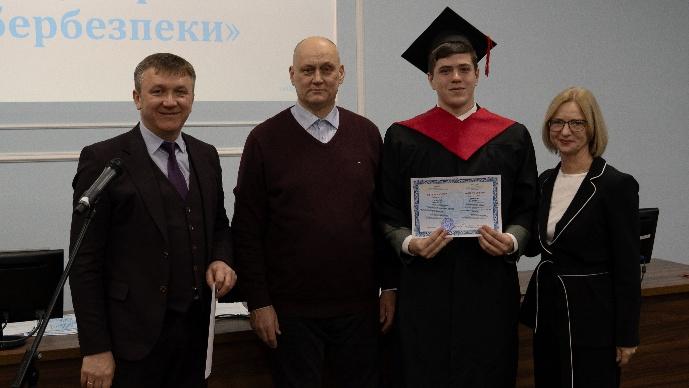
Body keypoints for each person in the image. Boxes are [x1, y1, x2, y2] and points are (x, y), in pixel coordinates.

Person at [376, 7, 539, 387]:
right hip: (424, 286)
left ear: (478, 73)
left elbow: (528, 206)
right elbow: (386, 209)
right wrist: (410, 243)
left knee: (489, 370)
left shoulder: (512, 136)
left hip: (489, 283)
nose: (456, 77)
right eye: (446, 70)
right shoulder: (402, 137)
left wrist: (512, 239)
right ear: (430, 77)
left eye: (464, 68)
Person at [231, 36, 397, 388]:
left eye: (326, 69)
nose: (317, 78)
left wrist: (390, 286)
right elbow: (246, 228)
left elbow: (382, 217)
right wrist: (258, 302)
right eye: (308, 70)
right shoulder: (264, 139)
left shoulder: (366, 134)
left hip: (359, 310)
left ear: (342, 74)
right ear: (292, 75)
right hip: (290, 315)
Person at [69, 53, 237, 388]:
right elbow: (84, 261)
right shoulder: (103, 159)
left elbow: (219, 225)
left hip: (194, 335)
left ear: (192, 97)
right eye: (158, 91)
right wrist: (95, 348)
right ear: (137, 97)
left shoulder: (206, 155)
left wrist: (221, 257)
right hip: (131, 341)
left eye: (181, 92)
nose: (170, 102)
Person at [520, 86, 640, 387]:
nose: (565, 131)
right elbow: (536, 246)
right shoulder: (545, 181)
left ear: (592, 127)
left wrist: (626, 335)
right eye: (556, 122)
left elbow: (627, 267)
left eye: (577, 123)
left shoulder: (615, 185)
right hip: (547, 311)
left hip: (594, 317)